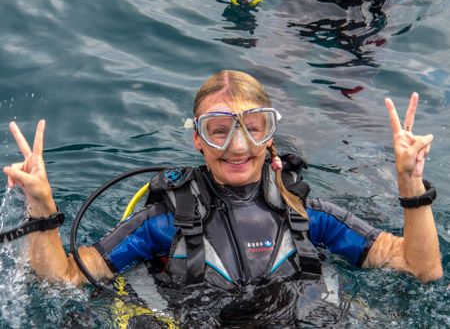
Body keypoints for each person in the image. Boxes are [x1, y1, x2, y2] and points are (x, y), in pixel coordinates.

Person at [2, 70, 442, 297]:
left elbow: (422, 269)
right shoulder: (163, 222)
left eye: (253, 126)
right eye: (219, 129)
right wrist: (41, 207)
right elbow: (62, 279)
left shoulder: (308, 216)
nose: (238, 145)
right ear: (197, 138)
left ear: (270, 136)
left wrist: (410, 184)